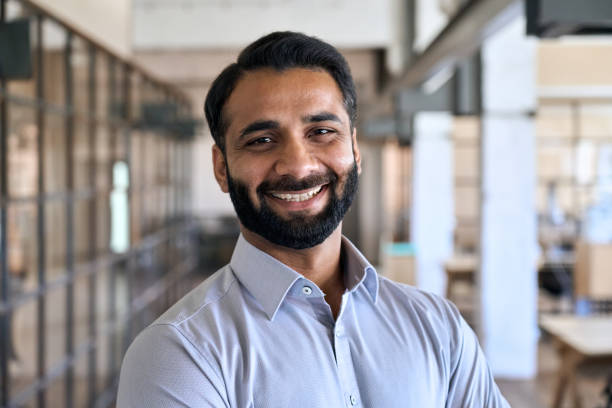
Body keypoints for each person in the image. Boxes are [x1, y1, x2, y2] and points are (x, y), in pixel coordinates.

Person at [117, 31, 510, 407]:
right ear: (222, 168)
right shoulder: (179, 354)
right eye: (261, 140)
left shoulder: (438, 327)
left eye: (321, 131)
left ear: (355, 149)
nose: (298, 165)